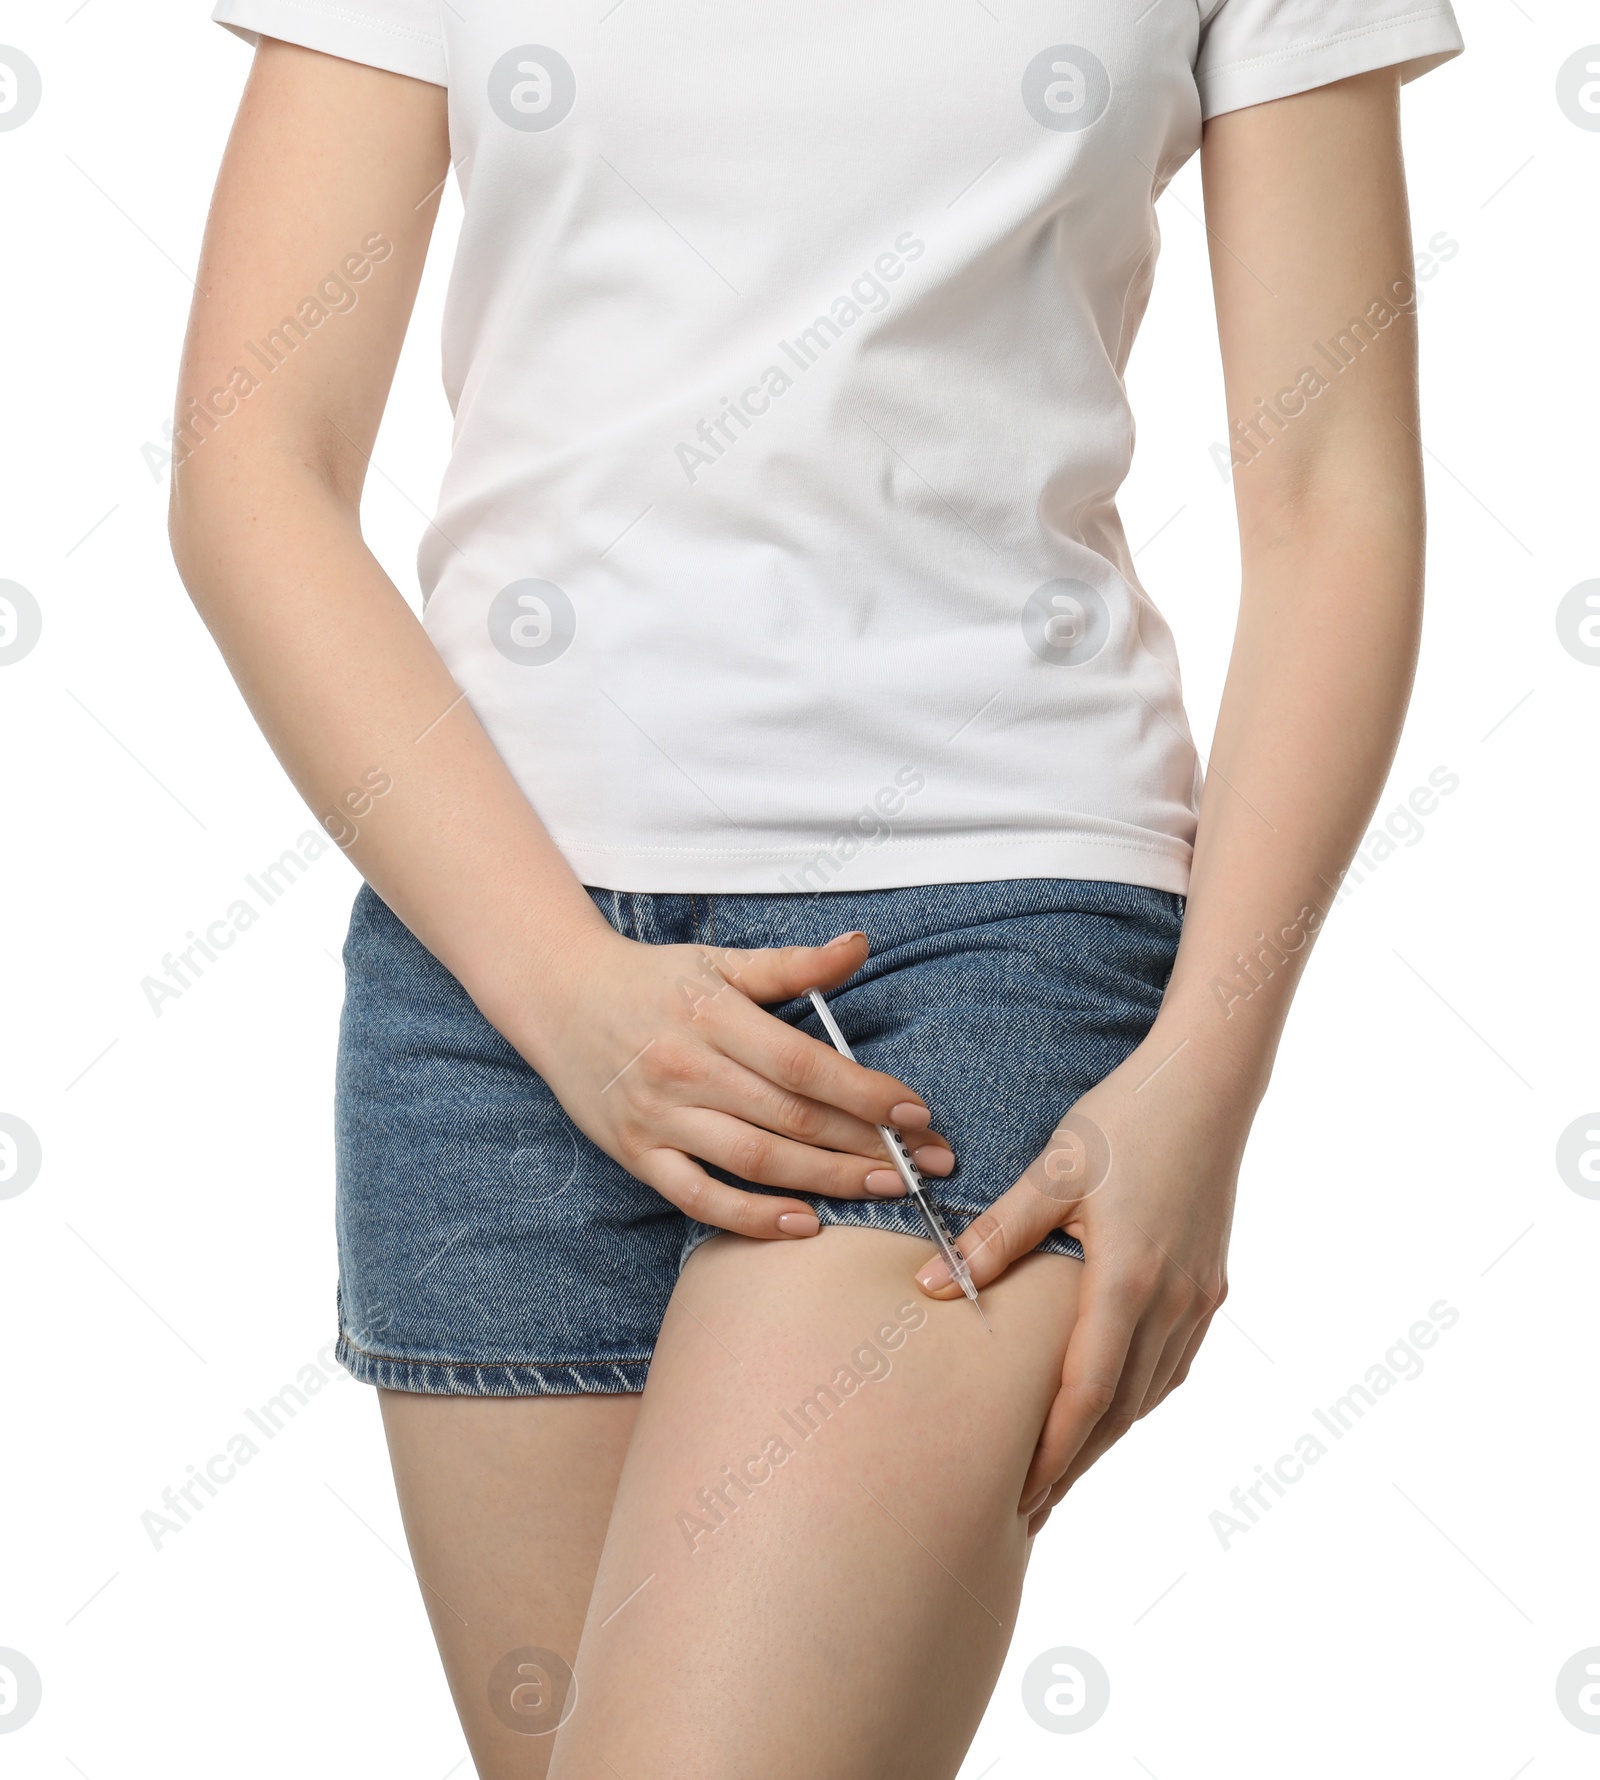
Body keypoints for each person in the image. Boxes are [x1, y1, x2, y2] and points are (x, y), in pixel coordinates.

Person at [171, 1, 1463, 1771]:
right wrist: (559, 993)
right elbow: (254, 462)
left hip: (980, 949)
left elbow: (1334, 498)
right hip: (491, 978)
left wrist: (1206, 1078)